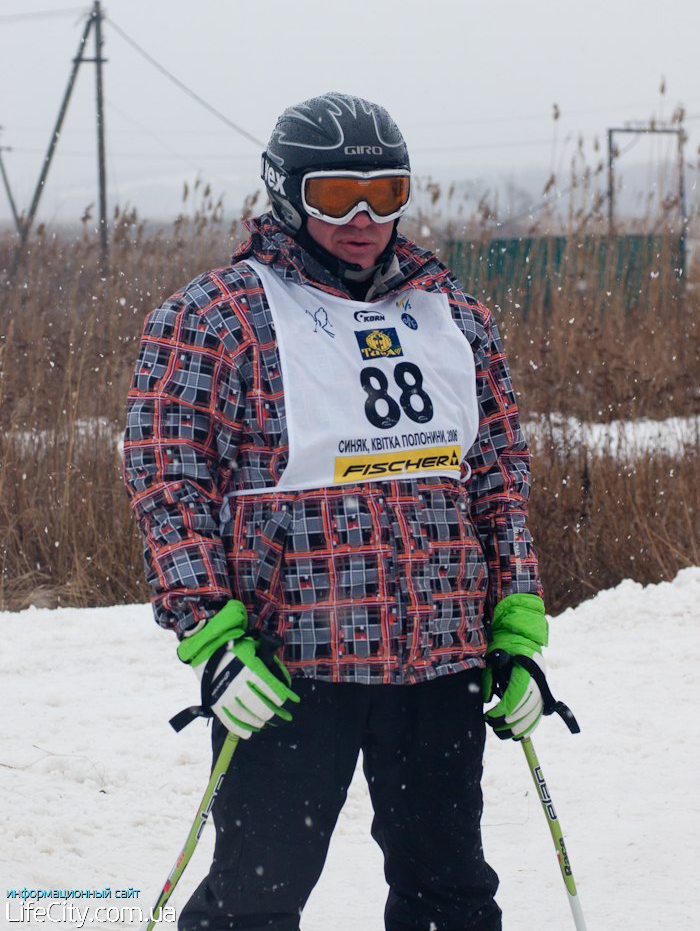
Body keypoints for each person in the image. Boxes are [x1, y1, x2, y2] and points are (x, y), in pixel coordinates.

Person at [123, 93, 549, 931]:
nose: (363, 219)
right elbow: (168, 483)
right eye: (335, 195)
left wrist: (516, 621)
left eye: (386, 194)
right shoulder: (213, 316)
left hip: (440, 660)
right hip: (290, 665)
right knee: (255, 896)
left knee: (451, 895)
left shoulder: (454, 316)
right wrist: (211, 636)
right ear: (286, 192)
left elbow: (498, 477)